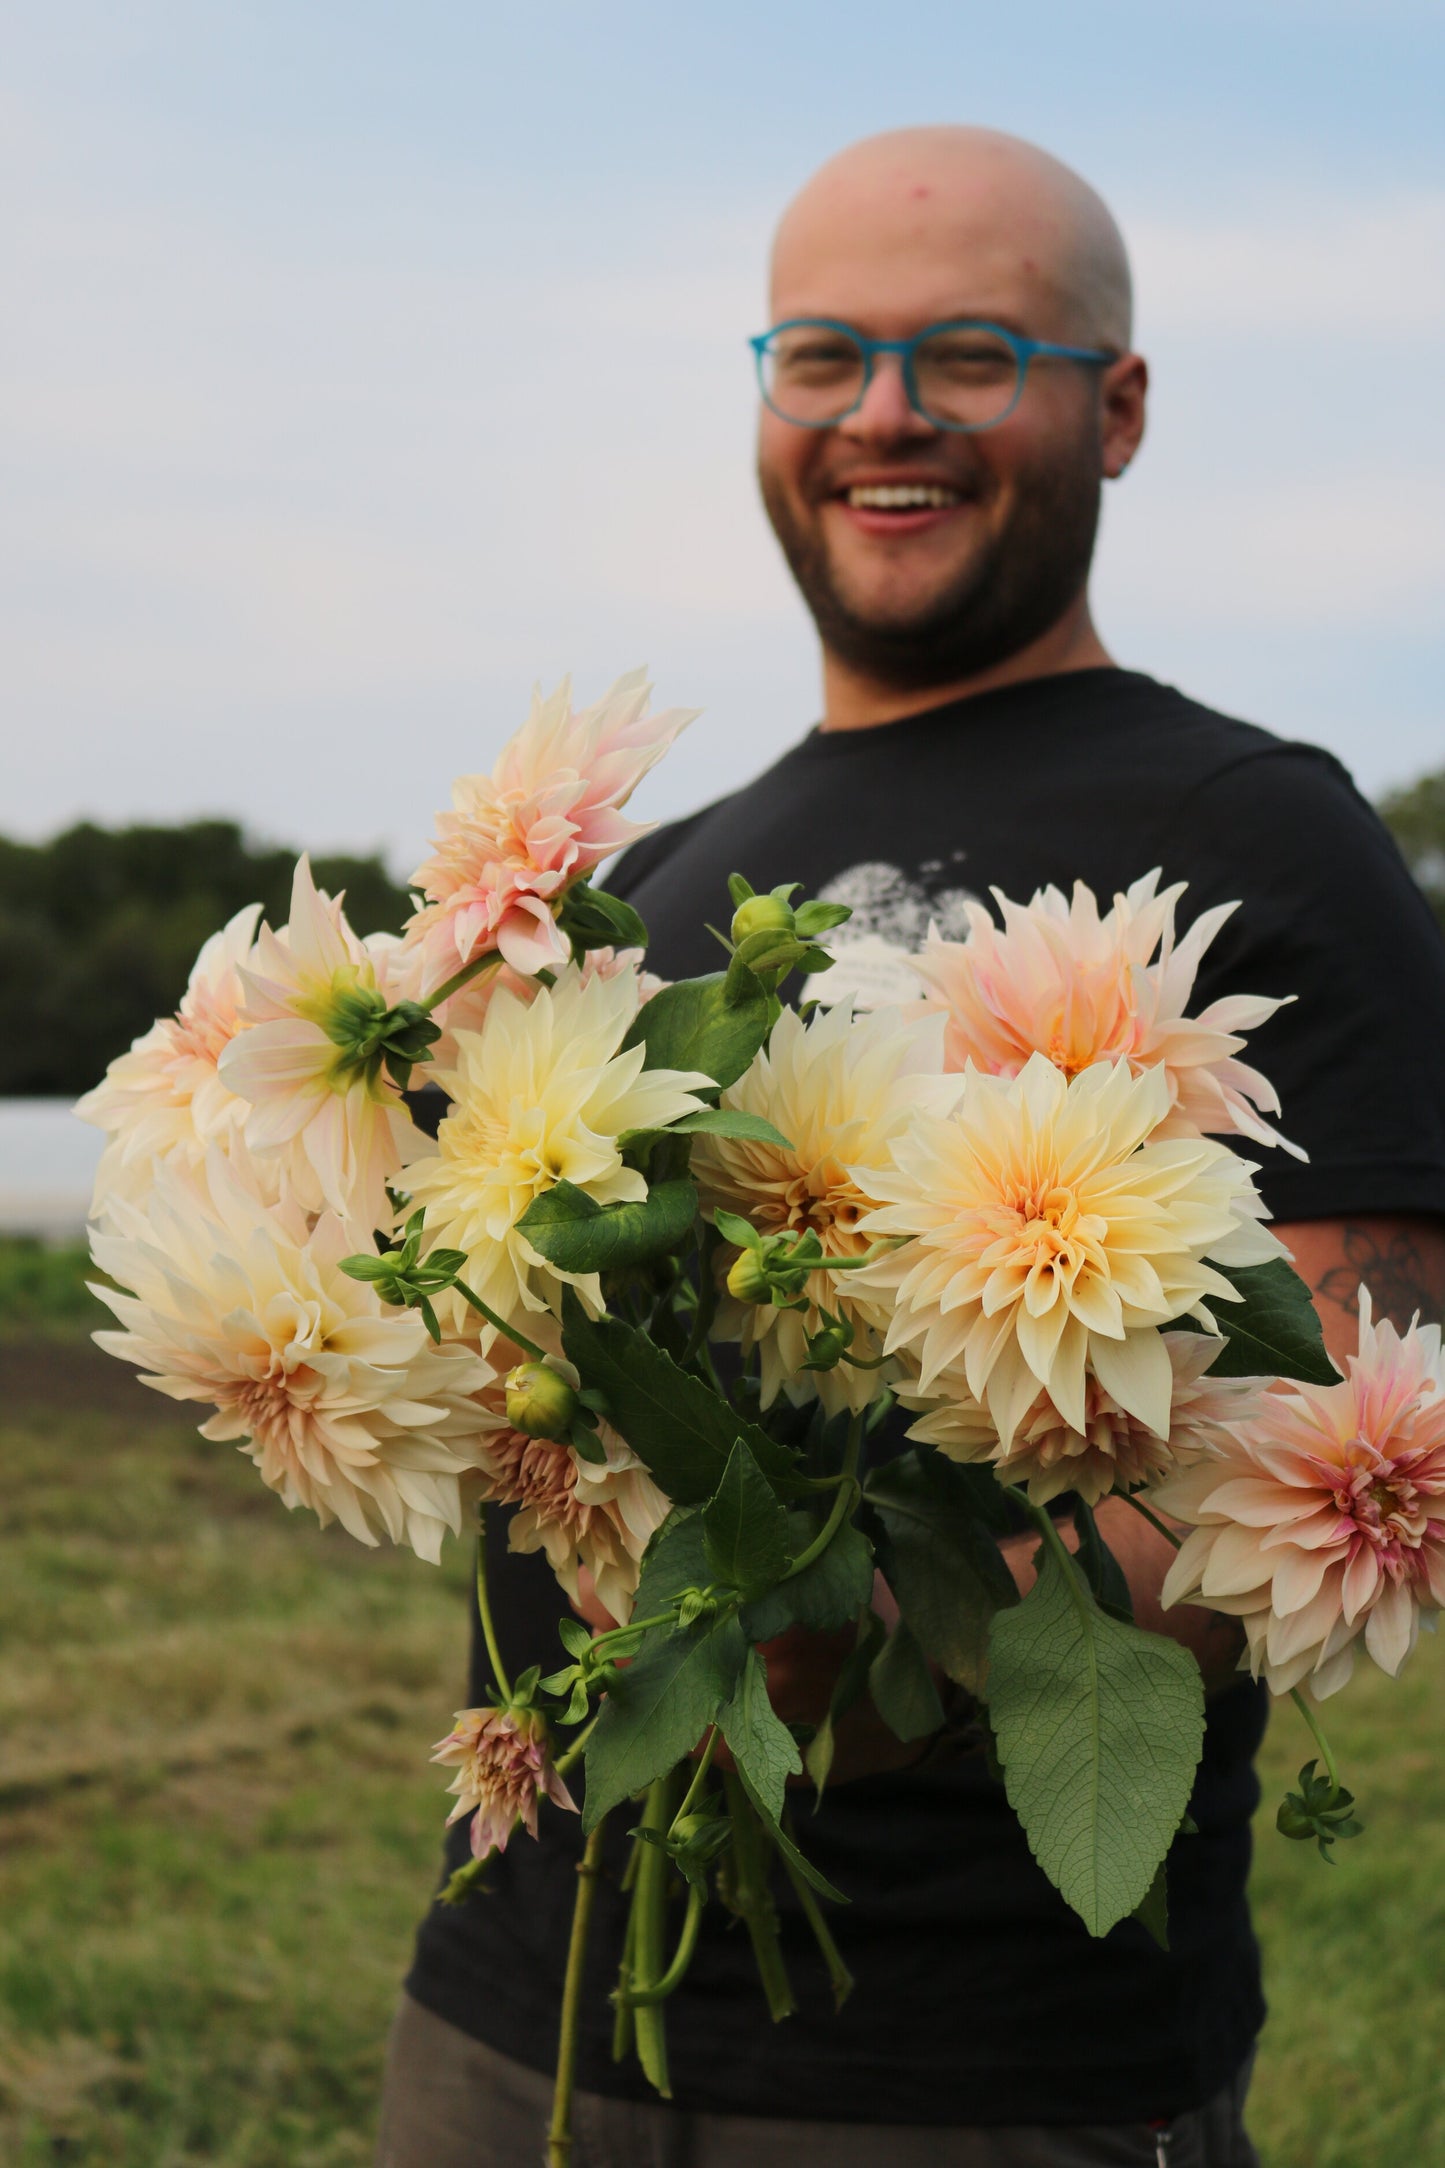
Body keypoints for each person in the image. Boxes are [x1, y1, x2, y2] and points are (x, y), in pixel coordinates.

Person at [376, 126, 1445, 2166]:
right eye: (821, 354)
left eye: (968, 352)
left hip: (976, 2075)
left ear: (1113, 407)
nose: (884, 412)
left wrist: (872, 1650)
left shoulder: (1259, 833)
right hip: (515, 1996)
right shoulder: (670, 878)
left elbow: (1336, 1425)